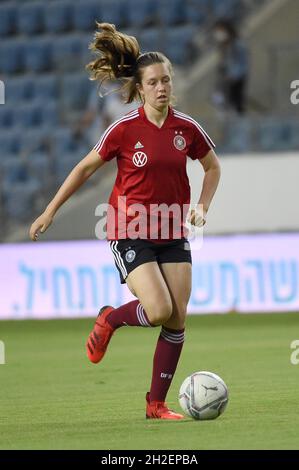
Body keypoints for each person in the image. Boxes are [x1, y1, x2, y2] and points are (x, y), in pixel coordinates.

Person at [29, 23, 221, 420]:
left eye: (166, 80)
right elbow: (84, 169)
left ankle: (156, 405)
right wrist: (50, 210)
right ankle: (110, 319)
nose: (162, 87)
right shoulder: (124, 129)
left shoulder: (186, 128)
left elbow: (212, 166)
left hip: (171, 229)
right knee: (157, 310)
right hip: (129, 228)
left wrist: (202, 205)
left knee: (178, 316)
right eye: (153, 82)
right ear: (140, 88)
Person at [212, 19, 249, 114]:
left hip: (236, 80)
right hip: (225, 80)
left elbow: (243, 64)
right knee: (219, 101)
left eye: (221, 30)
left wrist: (233, 75)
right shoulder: (223, 47)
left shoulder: (238, 45)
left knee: (236, 105)